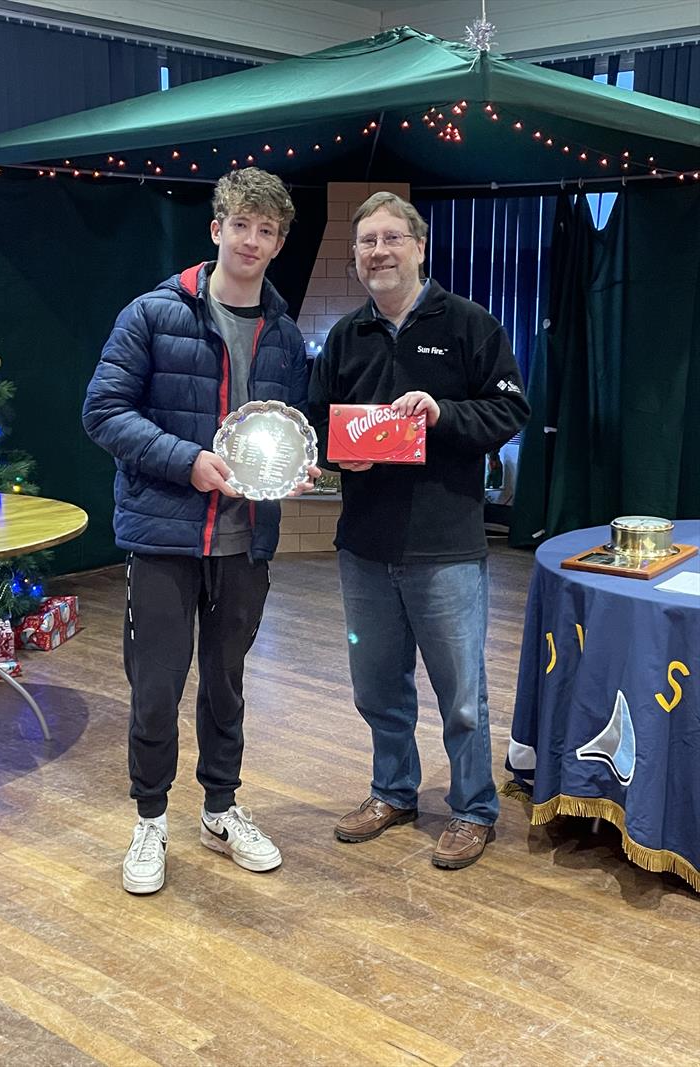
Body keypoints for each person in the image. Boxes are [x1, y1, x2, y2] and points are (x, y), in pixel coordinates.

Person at [83, 168, 318, 894]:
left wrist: (291, 474)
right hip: (164, 538)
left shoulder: (284, 334)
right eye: (241, 225)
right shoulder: (151, 314)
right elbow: (104, 412)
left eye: (268, 230)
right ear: (216, 229)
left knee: (227, 684)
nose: (253, 240)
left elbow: (283, 432)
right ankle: (149, 819)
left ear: (279, 243)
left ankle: (220, 808)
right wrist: (189, 463)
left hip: (246, 544)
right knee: (155, 688)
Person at [309, 191, 530, 869]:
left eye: (391, 238)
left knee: (461, 693)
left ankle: (473, 809)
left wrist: (442, 414)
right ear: (357, 254)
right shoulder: (348, 335)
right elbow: (315, 421)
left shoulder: (468, 324)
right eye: (367, 241)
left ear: (419, 245)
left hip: (447, 547)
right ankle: (393, 790)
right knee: (377, 685)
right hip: (364, 547)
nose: (379, 251)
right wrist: (334, 450)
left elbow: (510, 411)